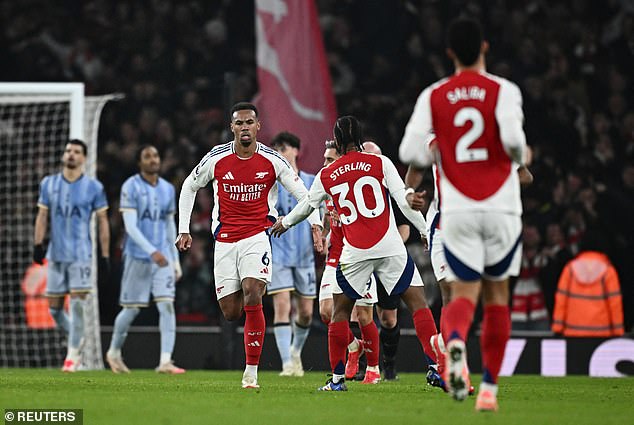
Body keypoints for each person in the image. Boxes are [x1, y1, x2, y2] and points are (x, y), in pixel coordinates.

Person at [399, 18, 531, 411]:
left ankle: (454, 345)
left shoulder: (435, 95)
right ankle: (488, 389)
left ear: (450, 53)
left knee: (461, 294)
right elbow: (512, 143)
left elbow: (412, 152)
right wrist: (523, 156)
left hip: (456, 211)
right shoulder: (503, 91)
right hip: (501, 209)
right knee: (497, 297)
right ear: (485, 48)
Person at [271, 115, 440, 392]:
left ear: (337, 141)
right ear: (361, 139)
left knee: (339, 313)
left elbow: (307, 205)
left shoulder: (328, 173)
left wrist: (285, 222)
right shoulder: (380, 163)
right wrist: (423, 229)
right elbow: (404, 201)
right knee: (419, 304)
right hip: (390, 246)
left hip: (355, 251)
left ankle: (337, 380)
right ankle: (436, 367)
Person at [176, 102, 322, 389]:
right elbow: (188, 187)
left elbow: (305, 195)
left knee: (253, 292)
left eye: (249, 122)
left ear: (258, 127)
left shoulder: (272, 159)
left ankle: (251, 372)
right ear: (232, 128)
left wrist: (314, 224)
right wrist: (184, 229)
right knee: (231, 312)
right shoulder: (216, 158)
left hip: (257, 236)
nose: (245, 127)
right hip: (225, 240)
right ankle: (248, 297)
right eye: (239, 123)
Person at [106, 145, 184, 375]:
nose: (153, 159)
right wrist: (152, 251)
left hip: (163, 259)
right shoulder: (130, 187)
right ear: (139, 163)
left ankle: (165, 361)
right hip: (138, 257)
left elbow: (170, 226)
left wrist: (175, 260)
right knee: (130, 310)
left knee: (167, 306)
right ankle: (113, 351)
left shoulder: (168, 189)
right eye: (147, 156)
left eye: (156, 155)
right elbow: (130, 227)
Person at [33, 139, 110, 372]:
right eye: (68, 150)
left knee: (77, 304)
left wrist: (104, 255)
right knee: (55, 309)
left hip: (80, 254)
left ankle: (72, 355)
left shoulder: (93, 187)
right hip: (56, 254)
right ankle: (78, 338)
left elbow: (103, 221)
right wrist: (37, 244)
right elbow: (42, 216)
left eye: (76, 151)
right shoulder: (49, 184)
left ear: (84, 158)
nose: (71, 155)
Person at [318, 140, 381, 384]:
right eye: (324, 159)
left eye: (330, 160)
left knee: (364, 315)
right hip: (335, 256)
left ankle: (374, 370)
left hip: (358, 255)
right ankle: (354, 346)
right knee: (326, 311)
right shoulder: (326, 185)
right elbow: (325, 214)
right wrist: (322, 234)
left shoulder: (357, 186)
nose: (325, 164)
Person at [268, 132, 318, 377]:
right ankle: (286, 363)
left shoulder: (311, 181)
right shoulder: (270, 185)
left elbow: (324, 213)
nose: (279, 152)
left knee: (307, 313)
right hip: (277, 254)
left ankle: (296, 350)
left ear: (297, 151)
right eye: (275, 148)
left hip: (304, 256)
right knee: (282, 306)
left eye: (284, 148)